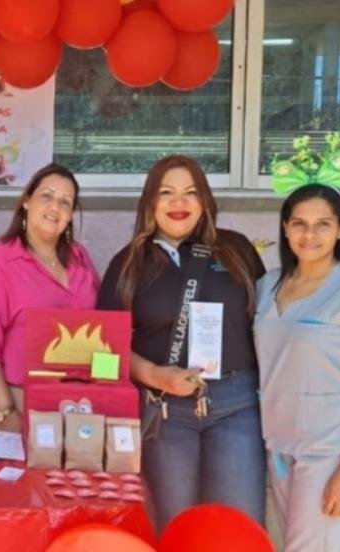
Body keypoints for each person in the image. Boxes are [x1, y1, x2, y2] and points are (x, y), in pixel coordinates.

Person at [96, 155, 266, 531]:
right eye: (167, 193)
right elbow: (107, 346)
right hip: (165, 412)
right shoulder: (127, 263)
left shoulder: (236, 249)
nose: (179, 203)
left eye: (190, 193)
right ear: (150, 203)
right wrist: (155, 375)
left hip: (237, 406)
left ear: (204, 201)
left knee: (238, 526)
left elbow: (268, 321)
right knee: (175, 526)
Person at [254, 184, 340, 551]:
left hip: (329, 448)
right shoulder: (268, 285)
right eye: (299, 223)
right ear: (285, 227)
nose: (310, 234)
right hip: (277, 444)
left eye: (323, 224)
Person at [0, 163, 99, 433]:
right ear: (26, 202)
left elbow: (101, 330)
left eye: (65, 202)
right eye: (46, 196)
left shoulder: (81, 259)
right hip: (20, 400)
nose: (54, 207)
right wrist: (5, 409)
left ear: (71, 215)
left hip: (81, 404)